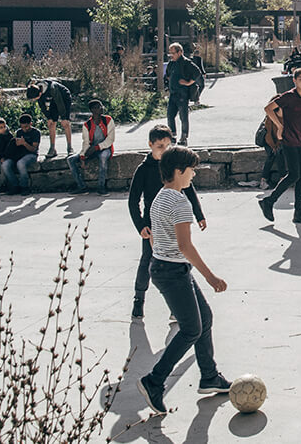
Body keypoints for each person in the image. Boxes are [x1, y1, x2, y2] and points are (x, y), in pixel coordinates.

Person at [135, 145, 231, 418]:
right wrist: (210, 277)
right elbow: (185, 245)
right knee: (190, 329)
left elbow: (157, 237)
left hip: (167, 267)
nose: (193, 175)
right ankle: (154, 381)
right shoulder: (179, 202)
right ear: (178, 171)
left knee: (205, 318)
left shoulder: (162, 195)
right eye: (191, 170)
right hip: (172, 271)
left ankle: (209, 376)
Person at [128, 126, 206, 320]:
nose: (164, 150)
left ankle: (176, 306)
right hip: (151, 224)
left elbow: (189, 190)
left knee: (178, 259)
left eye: (167, 145)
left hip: (174, 221)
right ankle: (139, 299)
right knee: (148, 260)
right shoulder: (144, 169)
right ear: (150, 145)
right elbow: (133, 200)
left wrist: (199, 214)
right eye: (160, 146)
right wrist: (140, 225)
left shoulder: (173, 166)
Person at [259, 67, 301, 225]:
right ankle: (269, 201)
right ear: (294, 80)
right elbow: (268, 108)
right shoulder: (288, 96)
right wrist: (280, 126)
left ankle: (299, 212)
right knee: (293, 175)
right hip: (289, 140)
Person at [68, 99, 115, 194]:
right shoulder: (87, 125)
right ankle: (82, 187)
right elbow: (86, 142)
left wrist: (97, 147)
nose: (101, 108)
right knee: (71, 159)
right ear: (93, 110)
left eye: (101, 106)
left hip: (105, 148)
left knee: (102, 157)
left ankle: (101, 187)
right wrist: (82, 156)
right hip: (91, 149)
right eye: (98, 107)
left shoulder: (108, 120)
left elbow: (110, 139)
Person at [26, 78, 74, 159]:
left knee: (65, 123)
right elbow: (42, 106)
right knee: (51, 124)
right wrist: (49, 117)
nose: (34, 100)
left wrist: (64, 117)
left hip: (64, 97)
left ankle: (69, 147)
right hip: (54, 100)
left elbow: (60, 103)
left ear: (40, 93)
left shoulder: (52, 88)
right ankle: (52, 148)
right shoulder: (36, 89)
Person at [164, 43, 200, 145]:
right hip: (173, 93)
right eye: (170, 53)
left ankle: (184, 137)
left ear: (180, 52)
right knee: (170, 115)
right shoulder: (171, 63)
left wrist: (188, 82)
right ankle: (173, 136)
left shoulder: (186, 63)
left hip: (182, 94)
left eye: (173, 53)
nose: (171, 55)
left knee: (183, 116)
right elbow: (167, 74)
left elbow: (197, 73)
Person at [2, 114, 40, 195]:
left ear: (31, 124)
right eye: (22, 127)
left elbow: (34, 149)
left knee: (21, 163)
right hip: (19, 154)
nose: (24, 129)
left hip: (31, 155)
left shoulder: (36, 133)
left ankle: (24, 187)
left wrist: (24, 144)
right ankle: (15, 185)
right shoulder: (19, 132)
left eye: (26, 127)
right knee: (5, 164)